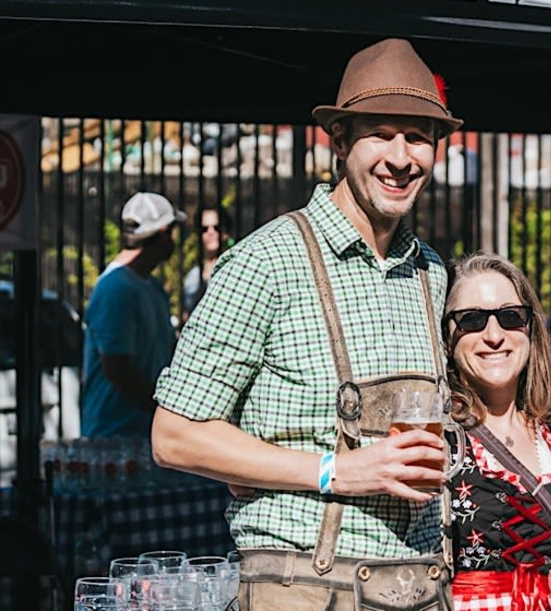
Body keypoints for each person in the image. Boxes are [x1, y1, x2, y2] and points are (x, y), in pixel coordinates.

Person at [152, 38, 462, 610]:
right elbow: (175, 436)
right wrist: (332, 470)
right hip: (301, 587)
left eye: (419, 136)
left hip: (419, 586)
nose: (401, 157)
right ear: (339, 139)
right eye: (381, 133)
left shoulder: (431, 271)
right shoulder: (266, 260)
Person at [441, 252, 551, 611]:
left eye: (510, 318)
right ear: (446, 336)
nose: (494, 336)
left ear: (530, 328)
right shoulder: (438, 442)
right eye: (471, 320)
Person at [81, 191, 186, 438]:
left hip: (144, 432)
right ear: (163, 232)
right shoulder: (115, 288)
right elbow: (117, 368)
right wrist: (162, 410)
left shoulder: (150, 286)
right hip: (115, 436)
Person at [182, 204, 233, 319]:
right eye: (204, 229)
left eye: (217, 227)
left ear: (226, 232)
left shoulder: (235, 267)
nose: (211, 232)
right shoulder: (193, 275)